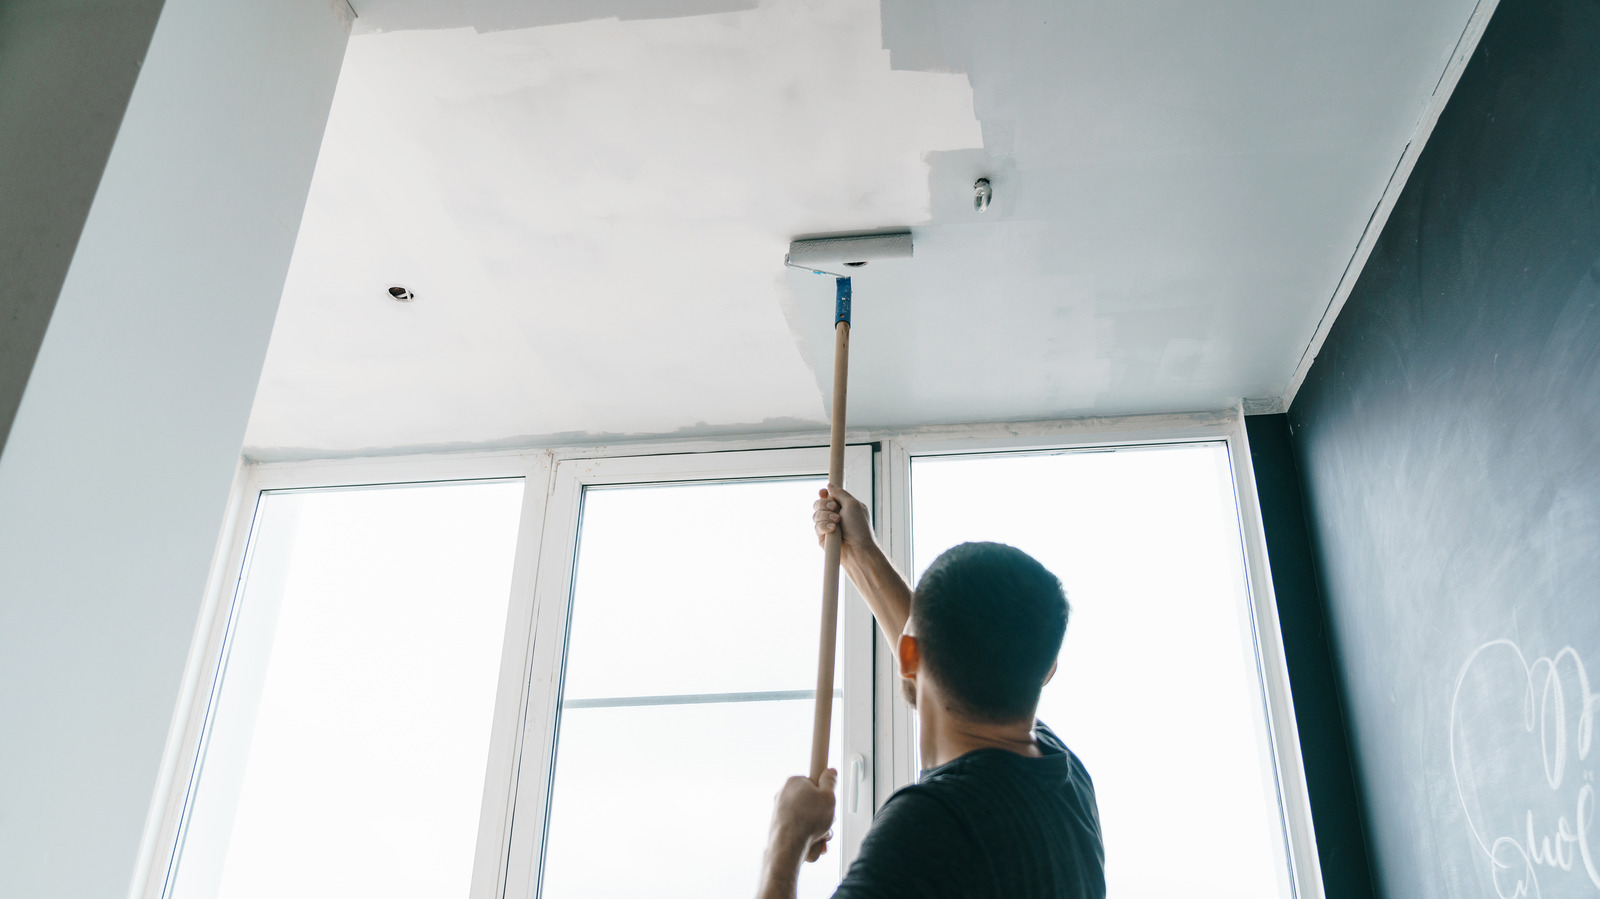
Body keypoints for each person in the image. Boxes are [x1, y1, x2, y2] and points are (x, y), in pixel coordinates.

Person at [755, 485, 1106, 899]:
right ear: (1047, 670)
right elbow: (948, 656)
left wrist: (785, 838)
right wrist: (859, 555)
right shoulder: (1062, 774)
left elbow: (936, 654)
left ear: (910, 655)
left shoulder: (928, 827)